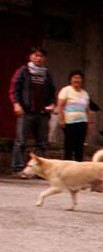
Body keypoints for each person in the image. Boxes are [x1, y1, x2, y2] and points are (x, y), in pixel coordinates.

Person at [10, 46, 57, 178]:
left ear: (44, 58)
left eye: (41, 56)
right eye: (36, 55)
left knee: (41, 143)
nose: (38, 58)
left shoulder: (46, 73)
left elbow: (52, 92)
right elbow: (14, 89)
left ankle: (40, 171)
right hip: (26, 112)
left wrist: (52, 104)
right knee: (21, 141)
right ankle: (18, 168)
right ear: (31, 57)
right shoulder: (24, 71)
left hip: (42, 113)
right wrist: (16, 104)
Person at [57, 70, 91, 162]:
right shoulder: (66, 90)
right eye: (75, 78)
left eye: (79, 78)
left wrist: (89, 123)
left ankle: (79, 166)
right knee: (69, 146)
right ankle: (67, 166)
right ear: (70, 80)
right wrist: (61, 119)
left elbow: (87, 109)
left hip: (82, 122)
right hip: (69, 122)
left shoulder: (84, 93)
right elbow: (60, 106)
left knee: (79, 146)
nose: (77, 80)